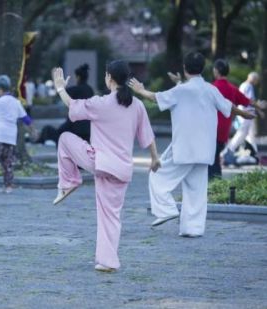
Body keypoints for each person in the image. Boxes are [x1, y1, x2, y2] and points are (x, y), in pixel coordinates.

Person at [128, 52, 255, 237]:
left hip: (184, 148)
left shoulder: (181, 90)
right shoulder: (210, 90)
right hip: (205, 150)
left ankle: (166, 210)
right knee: (196, 190)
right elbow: (229, 106)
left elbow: (156, 97)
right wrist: (245, 114)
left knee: (157, 176)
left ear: (185, 69)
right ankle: (193, 229)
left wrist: (140, 90)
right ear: (203, 69)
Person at [51, 61, 159, 272]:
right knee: (111, 216)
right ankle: (108, 262)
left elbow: (72, 106)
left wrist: (60, 87)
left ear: (109, 78)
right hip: (122, 170)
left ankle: (70, 181)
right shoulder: (137, 105)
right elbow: (148, 136)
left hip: (100, 163)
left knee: (64, 138)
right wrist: (155, 159)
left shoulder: (101, 103)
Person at [37, 64, 95, 145]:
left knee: (49, 130)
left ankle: (39, 141)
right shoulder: (90, 90)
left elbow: (61, 92)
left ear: (77, 77)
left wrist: (58, 82)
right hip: (88, 128)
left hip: (74, 126)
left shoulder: (75, 89)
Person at [223, 71, 266, 165]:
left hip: (245, 113)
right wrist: (260, 108)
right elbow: (250, 100)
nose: (256, 82)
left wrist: (259, 110)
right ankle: (227, 152)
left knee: (251, 136)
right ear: (253, 79)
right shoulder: (248, 86)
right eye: (256, 80)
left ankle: (255, 155)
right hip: (246, 114)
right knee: (242, 134)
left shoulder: (243, 85)